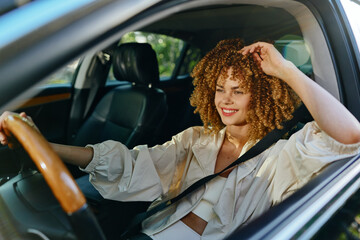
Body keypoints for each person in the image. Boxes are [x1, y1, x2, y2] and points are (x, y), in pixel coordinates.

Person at [1, 39, 360, 240]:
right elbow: (128, 164)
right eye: (219, 89)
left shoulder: (286, 152)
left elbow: (350, 136)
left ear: (264, 94)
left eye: (239, 90)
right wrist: (45, 147)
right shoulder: (196, 139)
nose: (225, 100)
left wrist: (284, 69)